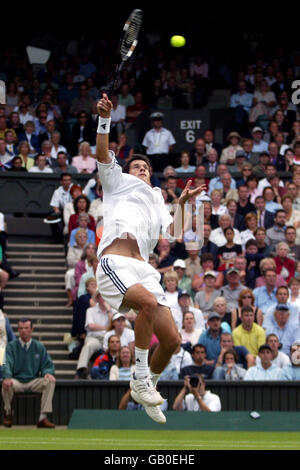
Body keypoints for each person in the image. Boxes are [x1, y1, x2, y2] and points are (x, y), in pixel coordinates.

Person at [94, 93, 206, 423]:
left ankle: (148, 385)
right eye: (137, 166)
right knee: (145, 305)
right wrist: (105, 119)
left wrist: (184, 203)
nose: (143, 169)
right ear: (127, 171)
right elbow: (102, 153)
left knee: (171, 341)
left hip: (144, 268)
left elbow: (174, 232)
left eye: (146, 167)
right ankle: (140, 377)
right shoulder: (117, 182)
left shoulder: (156, 196)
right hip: (115, 263)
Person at [1, 318, 56, 428]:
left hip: (33, 380)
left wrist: (48, 373)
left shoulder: (39, 346)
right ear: (18, 330)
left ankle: (43, 418)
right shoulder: (11, 346)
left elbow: (47, 364)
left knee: (50, 381)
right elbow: (6, 363)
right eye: (21, 328)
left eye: (26, 328)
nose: (23, 331)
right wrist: (7, 377)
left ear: (32, 329)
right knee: (6, 384)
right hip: (17, 381)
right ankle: (8, 414)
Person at [75, 291, 113, 379]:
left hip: (108, 338)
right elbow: (91, 326)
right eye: (101, 296)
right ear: (97, 298)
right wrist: (106, 328)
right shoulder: (90, 310)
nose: (104, 299)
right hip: (94, 337)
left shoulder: (112, 310)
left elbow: (113, 325)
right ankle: (81, 369)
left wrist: (109, 311)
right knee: (89, 346)